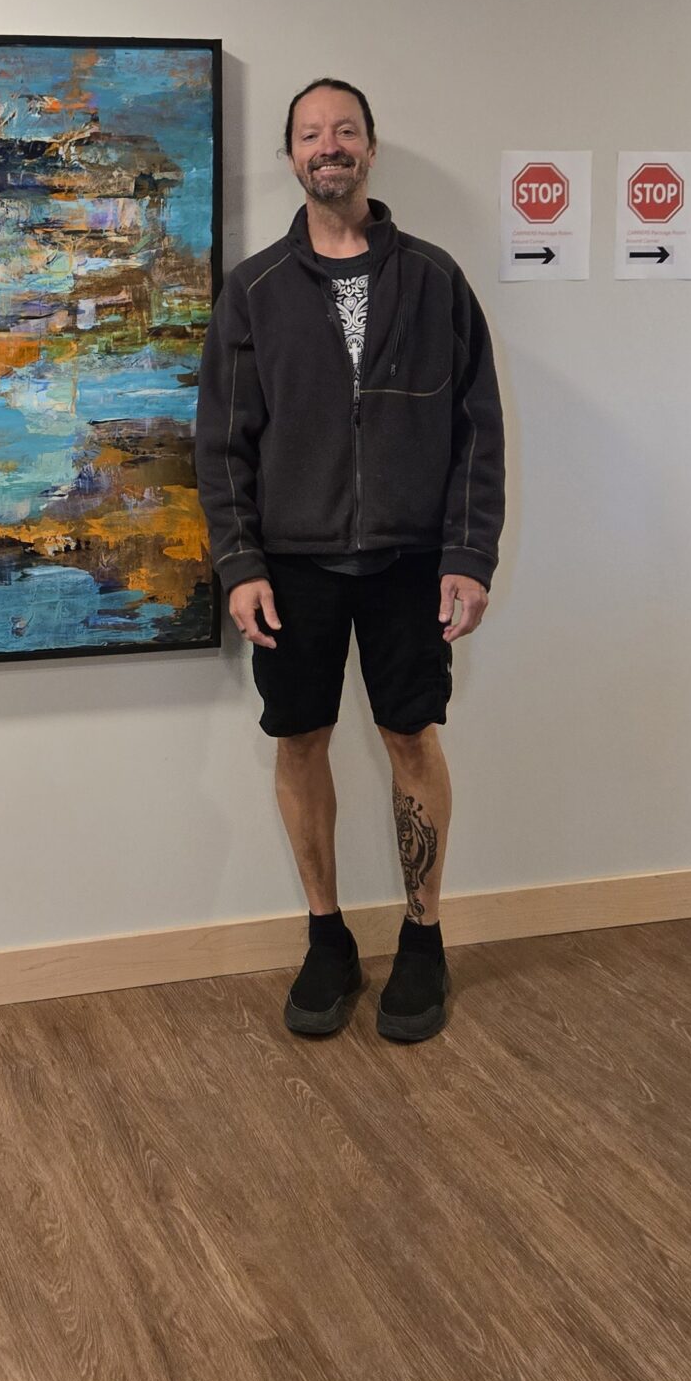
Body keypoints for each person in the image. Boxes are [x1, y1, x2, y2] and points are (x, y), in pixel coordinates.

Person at [196, 79, 504, 1044]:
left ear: (370, 147)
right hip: (292, 567)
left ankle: (424, 938)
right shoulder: (254, 291)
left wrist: (469, 553)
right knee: (300, 740)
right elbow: (222, 444)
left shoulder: (436, 280)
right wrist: (240, 561)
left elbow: (477, 431)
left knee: (413, 738)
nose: (328, 146)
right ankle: (326, 937)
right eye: (310, 134)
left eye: (344, 131)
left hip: (412, 562)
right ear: (291, 156)